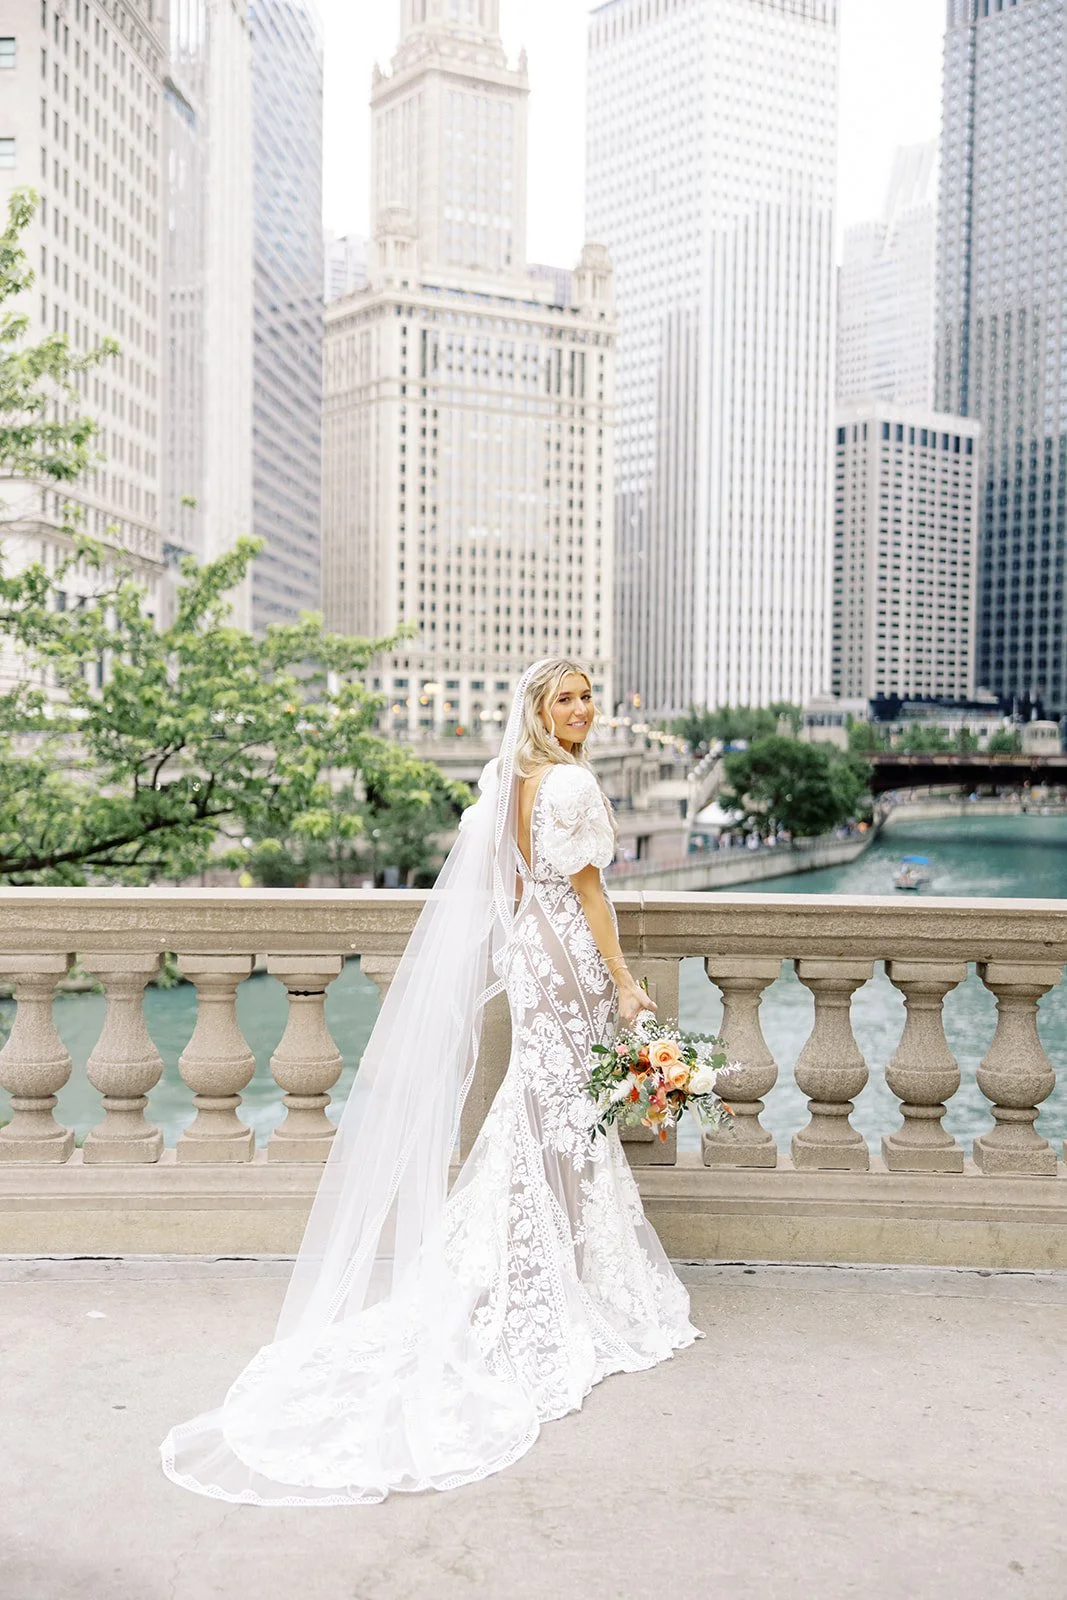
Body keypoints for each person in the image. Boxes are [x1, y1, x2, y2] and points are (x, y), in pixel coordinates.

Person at [161, 658, 699, 1506]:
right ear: (538, 708)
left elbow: (507, 887)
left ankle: (542, 1258)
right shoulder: (565, 788)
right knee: (560, 1113)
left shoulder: (504, 779)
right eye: (567, 698)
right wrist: (625, 982)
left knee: (545, 1108)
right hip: (566, 958)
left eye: (589, 696)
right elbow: (591, 895)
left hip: (529, 953)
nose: (584, 710)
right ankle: (561, 1273)